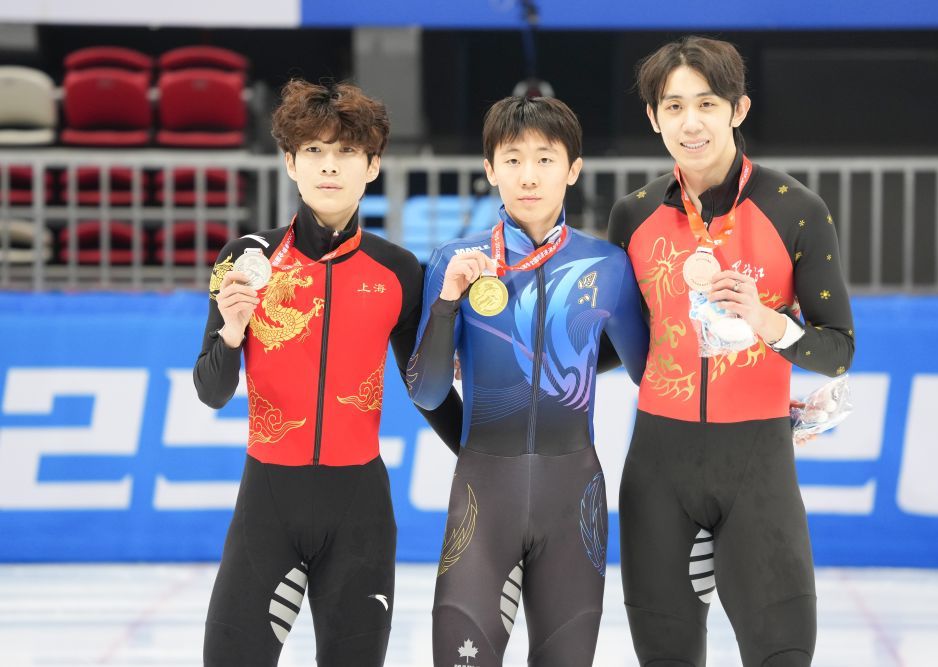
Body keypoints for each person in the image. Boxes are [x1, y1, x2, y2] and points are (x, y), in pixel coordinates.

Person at [193, 79, 462, 667]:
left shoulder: (399, 271)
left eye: (346, 151)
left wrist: (484, 455)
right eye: (313, 150)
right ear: (290, 163)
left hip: (359, 511)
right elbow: (211, 390)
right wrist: (232, 331)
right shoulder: (247, 257)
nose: (329, 166)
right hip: (267, 504)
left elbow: (426, 389)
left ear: (373, 165)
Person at [607, 36, 855, 667]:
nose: (690, 123)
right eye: (674, 106)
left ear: (738, 109)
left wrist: (768, 322)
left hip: (756, 466)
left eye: (707, 104)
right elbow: (618, 341)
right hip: (658, 470)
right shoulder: (633, 216)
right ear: (654, 117)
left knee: (783, 654)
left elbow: (837, 350)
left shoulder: (795, 210)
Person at [407, 95, 649, 666]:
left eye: (545, 159)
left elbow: (655, 373)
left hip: (575, 499)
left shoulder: (608, 267)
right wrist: (446, 304)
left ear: (573, 169)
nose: (528, 176)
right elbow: (428, 391)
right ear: (490, 169)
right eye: (512, 160)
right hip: (483, 494)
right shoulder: (454, 262)